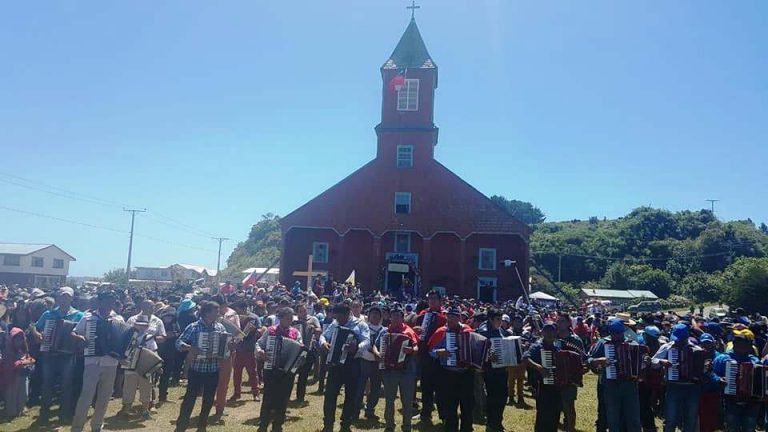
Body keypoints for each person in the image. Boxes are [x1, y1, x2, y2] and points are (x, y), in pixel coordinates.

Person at [71, 291, 124, 432]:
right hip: (92, 361)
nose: (110, 303)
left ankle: (97, 426)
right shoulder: (88, 318)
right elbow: (74, 332)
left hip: (111, 362)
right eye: (107, 300)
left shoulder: (118, 319)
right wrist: (80, 338)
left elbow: (123, 339)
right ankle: (77, 427)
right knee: (86, 395)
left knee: (105, 396)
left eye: (112, 300)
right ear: (100, 301)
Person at [31, 286, 84, 425]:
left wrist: (79, 338)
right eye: (62, 296)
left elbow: (84, 333)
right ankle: (44, 413)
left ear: (72, 298)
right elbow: (35, 326)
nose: (64, 299)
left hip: (68, 355)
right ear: (58, 297)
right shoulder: (49, 314)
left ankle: (64, 413)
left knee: (67, 384)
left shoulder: (79, 315)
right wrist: (37, 334)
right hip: (50, 354)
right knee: (47, 384)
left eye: (67, 296)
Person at [174, 300, 228, 432]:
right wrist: (189, 347)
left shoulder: (220, 328)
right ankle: (181, 427)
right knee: (189, 399)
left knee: (208, 400)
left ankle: (202, 427)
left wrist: (229, 347)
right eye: (216, 311)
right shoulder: (194, 327)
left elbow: (224, 349)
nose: (218, 314)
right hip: (197, 369)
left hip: (213, 369)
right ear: (207, 313)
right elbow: (178, 342)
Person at [320, 302, 371, 432]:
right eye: (337, 318)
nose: (339, 321)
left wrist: (357, 347)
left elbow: (367, 341)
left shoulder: (360, 324)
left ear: (348, 314)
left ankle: (346, 424)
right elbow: (324, 335)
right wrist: (324, 342)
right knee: (330, 395)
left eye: (341, 318)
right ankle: (328, 424)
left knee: (351, 396)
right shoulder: (335, 323)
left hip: (352, 364)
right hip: (335, 364)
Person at [588, 318, 642, 432]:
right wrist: (598, 360)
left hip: (630, 386)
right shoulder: (603, 343)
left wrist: (645, 361)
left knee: (634, 419)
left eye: (618, 332)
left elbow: (640, 364)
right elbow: (588, 359)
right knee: (613, 418)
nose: (616, 335)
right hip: (611, 386)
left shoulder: (632, 343)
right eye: (613, 332)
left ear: (623, 331)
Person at [255, 307, 302, 432]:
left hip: (287, 372)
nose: (290, 320)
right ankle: (264, 423)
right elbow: (259, 343)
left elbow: (300, 349)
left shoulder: (295, 333)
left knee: (284, 398)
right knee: (268, 397)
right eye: (288, 318)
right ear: (280, 318)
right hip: (271, 369)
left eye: (291, 318)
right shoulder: (270, 331)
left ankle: (278, 425)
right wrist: (261, 352)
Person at [428, 306, 474, 432]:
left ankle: (466, 428)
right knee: (450, 405)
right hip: (448, 374)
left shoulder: (468, 331)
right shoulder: (441, 332)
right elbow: (430, 351)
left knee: (467, 405)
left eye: (454, 317)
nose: (451, 320)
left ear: (460, 318)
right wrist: (439, 352)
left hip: (466, 373)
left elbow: (476, 348)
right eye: (449, 317)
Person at [119, 298, 166, 419]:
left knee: (146, 386)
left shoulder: (150, 338)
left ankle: (145, 409)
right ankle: (126, 408)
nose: (141, 327)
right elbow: (122, 349)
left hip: (145, 365)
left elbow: (154, 352)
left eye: (143, 325)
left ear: (146, 327)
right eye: (139, 325)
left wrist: (156, 365)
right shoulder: (128, 336)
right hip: (130, 364)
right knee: (129, 386)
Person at [652, 323, 704, 432]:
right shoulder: (667, 347)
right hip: (673, 387)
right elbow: (653, 362)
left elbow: (701, 371)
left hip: (692, 388)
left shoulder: (697, 349)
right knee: (671, 418)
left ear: (686, 337)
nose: (677, 341)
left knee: (690, 419)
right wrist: (661, 361)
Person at [378, 304, 419, 432]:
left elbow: (417, 347)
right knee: (389, 400)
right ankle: (389, 425)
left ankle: (407, 426)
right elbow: (375, 345)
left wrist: (411, 350)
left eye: (398, 317)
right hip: (390, 371)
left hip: (406, 371)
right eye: (393, 317)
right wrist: (378, 353)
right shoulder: (385, 331)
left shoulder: (409, 331)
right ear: (390, 318)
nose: (395, 319)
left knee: (406, 401)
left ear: (402, 318)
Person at [712, 328, 762, 432]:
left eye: (748, 346)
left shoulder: (754, 361)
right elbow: (712, 374)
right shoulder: (722, 359)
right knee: (732, 427)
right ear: (735, 345)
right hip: (731, 400)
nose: (747, 349)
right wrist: (719, 379)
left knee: (749, 426)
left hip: (752, 402)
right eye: (744, 346)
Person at [415, 289, 447, 425]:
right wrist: (416, 331)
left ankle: (444, 415)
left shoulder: (445, 317)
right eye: (430, 299)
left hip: (440, 356)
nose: (432, 301)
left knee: (441, 388)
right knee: (426, 386)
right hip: (425, 355)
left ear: (441, 301)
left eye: (435, 299)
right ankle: (426, 412)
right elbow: (416, 334)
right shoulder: (422, 315)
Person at [479, 308, 512, 432]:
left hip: (502, 369)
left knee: (503, 396)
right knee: (493, 397)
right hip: (490, 371)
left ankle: (497, 420)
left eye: (501, 319)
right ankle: (492, 422)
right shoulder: (483, 332)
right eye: (498, 319)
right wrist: (488, 356)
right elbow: (478, 351)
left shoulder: (501, 331)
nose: (500, 322)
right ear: (490, 319)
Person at [525, 322, 563, 432]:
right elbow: (525, 358)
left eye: (552, 331)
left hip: (556, 388)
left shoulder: (558, 349)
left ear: (556, 333)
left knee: (555, 414)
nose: (550, 334)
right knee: (543, 416)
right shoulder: (537, 346)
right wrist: (539, 368)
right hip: (541, 387)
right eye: (547, 331)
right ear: (542, 332)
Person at [211, 295, 240, 423]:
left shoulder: (233, 315)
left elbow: (238, 334)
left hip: (227, 353)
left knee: (223, 382)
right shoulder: (207, 318)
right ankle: (210, 404)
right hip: (210, 354)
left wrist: (235, 341)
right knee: (211, 381)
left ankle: (220, 407)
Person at [555, 313, 585, 432]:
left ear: (568, 323)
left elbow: (582, 357)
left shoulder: (575, 340)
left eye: (562, 321)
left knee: (569, 406)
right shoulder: (553, 336)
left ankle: (570, 428)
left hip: (570, 378)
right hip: (555, 376)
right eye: (558, 321)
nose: (559, 323)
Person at [356, 304, 384, 421]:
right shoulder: (363, 328)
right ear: (368, 316)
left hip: (377, 363)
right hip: (364, 361)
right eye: (373, 314)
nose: (375, 317)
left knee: (376, 388)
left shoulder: (384, 330)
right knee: (359, 387)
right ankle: (355, 410)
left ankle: (370, 410)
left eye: (377, 315)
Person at [230, 299, 261, 402]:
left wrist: (255, 330)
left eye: (238, 308)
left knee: (252, 372)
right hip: (238, 350)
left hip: (249, 349)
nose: (236, 310)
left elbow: (259, 330)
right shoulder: (235, 317)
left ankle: (255, 393)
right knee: (237, 373)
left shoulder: (254, 317)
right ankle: (237, 393)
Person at [294, 301, 321, 405]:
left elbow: (320, 330)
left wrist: (314, 329)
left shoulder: (313, 319)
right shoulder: (295, 322)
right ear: (297, 313)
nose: (303, 313)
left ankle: (300, 397)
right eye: (301, 311)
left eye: (304, 310)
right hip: (296, 351)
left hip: (309, 350)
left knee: (303, 375)